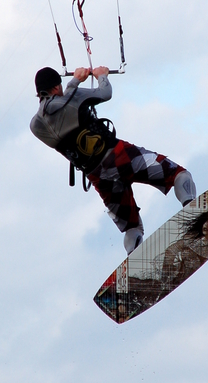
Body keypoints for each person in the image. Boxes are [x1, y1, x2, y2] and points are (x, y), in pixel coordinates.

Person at [30, 65, 196, 253]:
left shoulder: (36, 126)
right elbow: (105, 93)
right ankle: (193, 212)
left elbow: (55, 111)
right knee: (179, 174)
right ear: (56, 87)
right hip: (118, 157)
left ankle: (134, 259)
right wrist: (100, 76)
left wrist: (72, 86)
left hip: (99, 177)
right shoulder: (71, 98)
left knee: (132, 226)